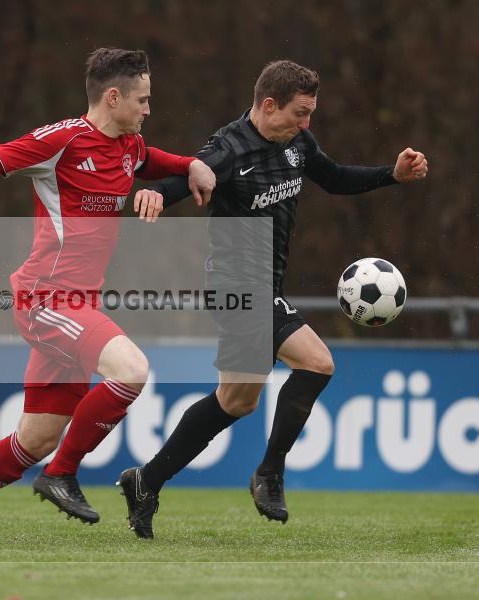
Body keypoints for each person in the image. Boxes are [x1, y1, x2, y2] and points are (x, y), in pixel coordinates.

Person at [0, 47, 215, 541]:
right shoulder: (63, 139)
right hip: (46, 298)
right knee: (131, 370)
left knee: (34, 438)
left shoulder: (130, 145)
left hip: (78, 304)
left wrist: (191, 164)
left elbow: (153, 161)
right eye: (143, 100)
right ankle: (61, 474)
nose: (149, 110)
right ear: (113, 97)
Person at [118, 59, 429, 538]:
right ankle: (270, 473)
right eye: (300, 113)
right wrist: (158, 192)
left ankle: (146, 481)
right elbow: (189, 176)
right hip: (237, 288)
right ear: (268, 105)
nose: (307, 124)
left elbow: (336, 177)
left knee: (235, 402)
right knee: (318, 363)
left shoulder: (297, 142)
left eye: (310, 114)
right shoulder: (230, 147)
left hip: (264, 287)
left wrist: (392, 174)